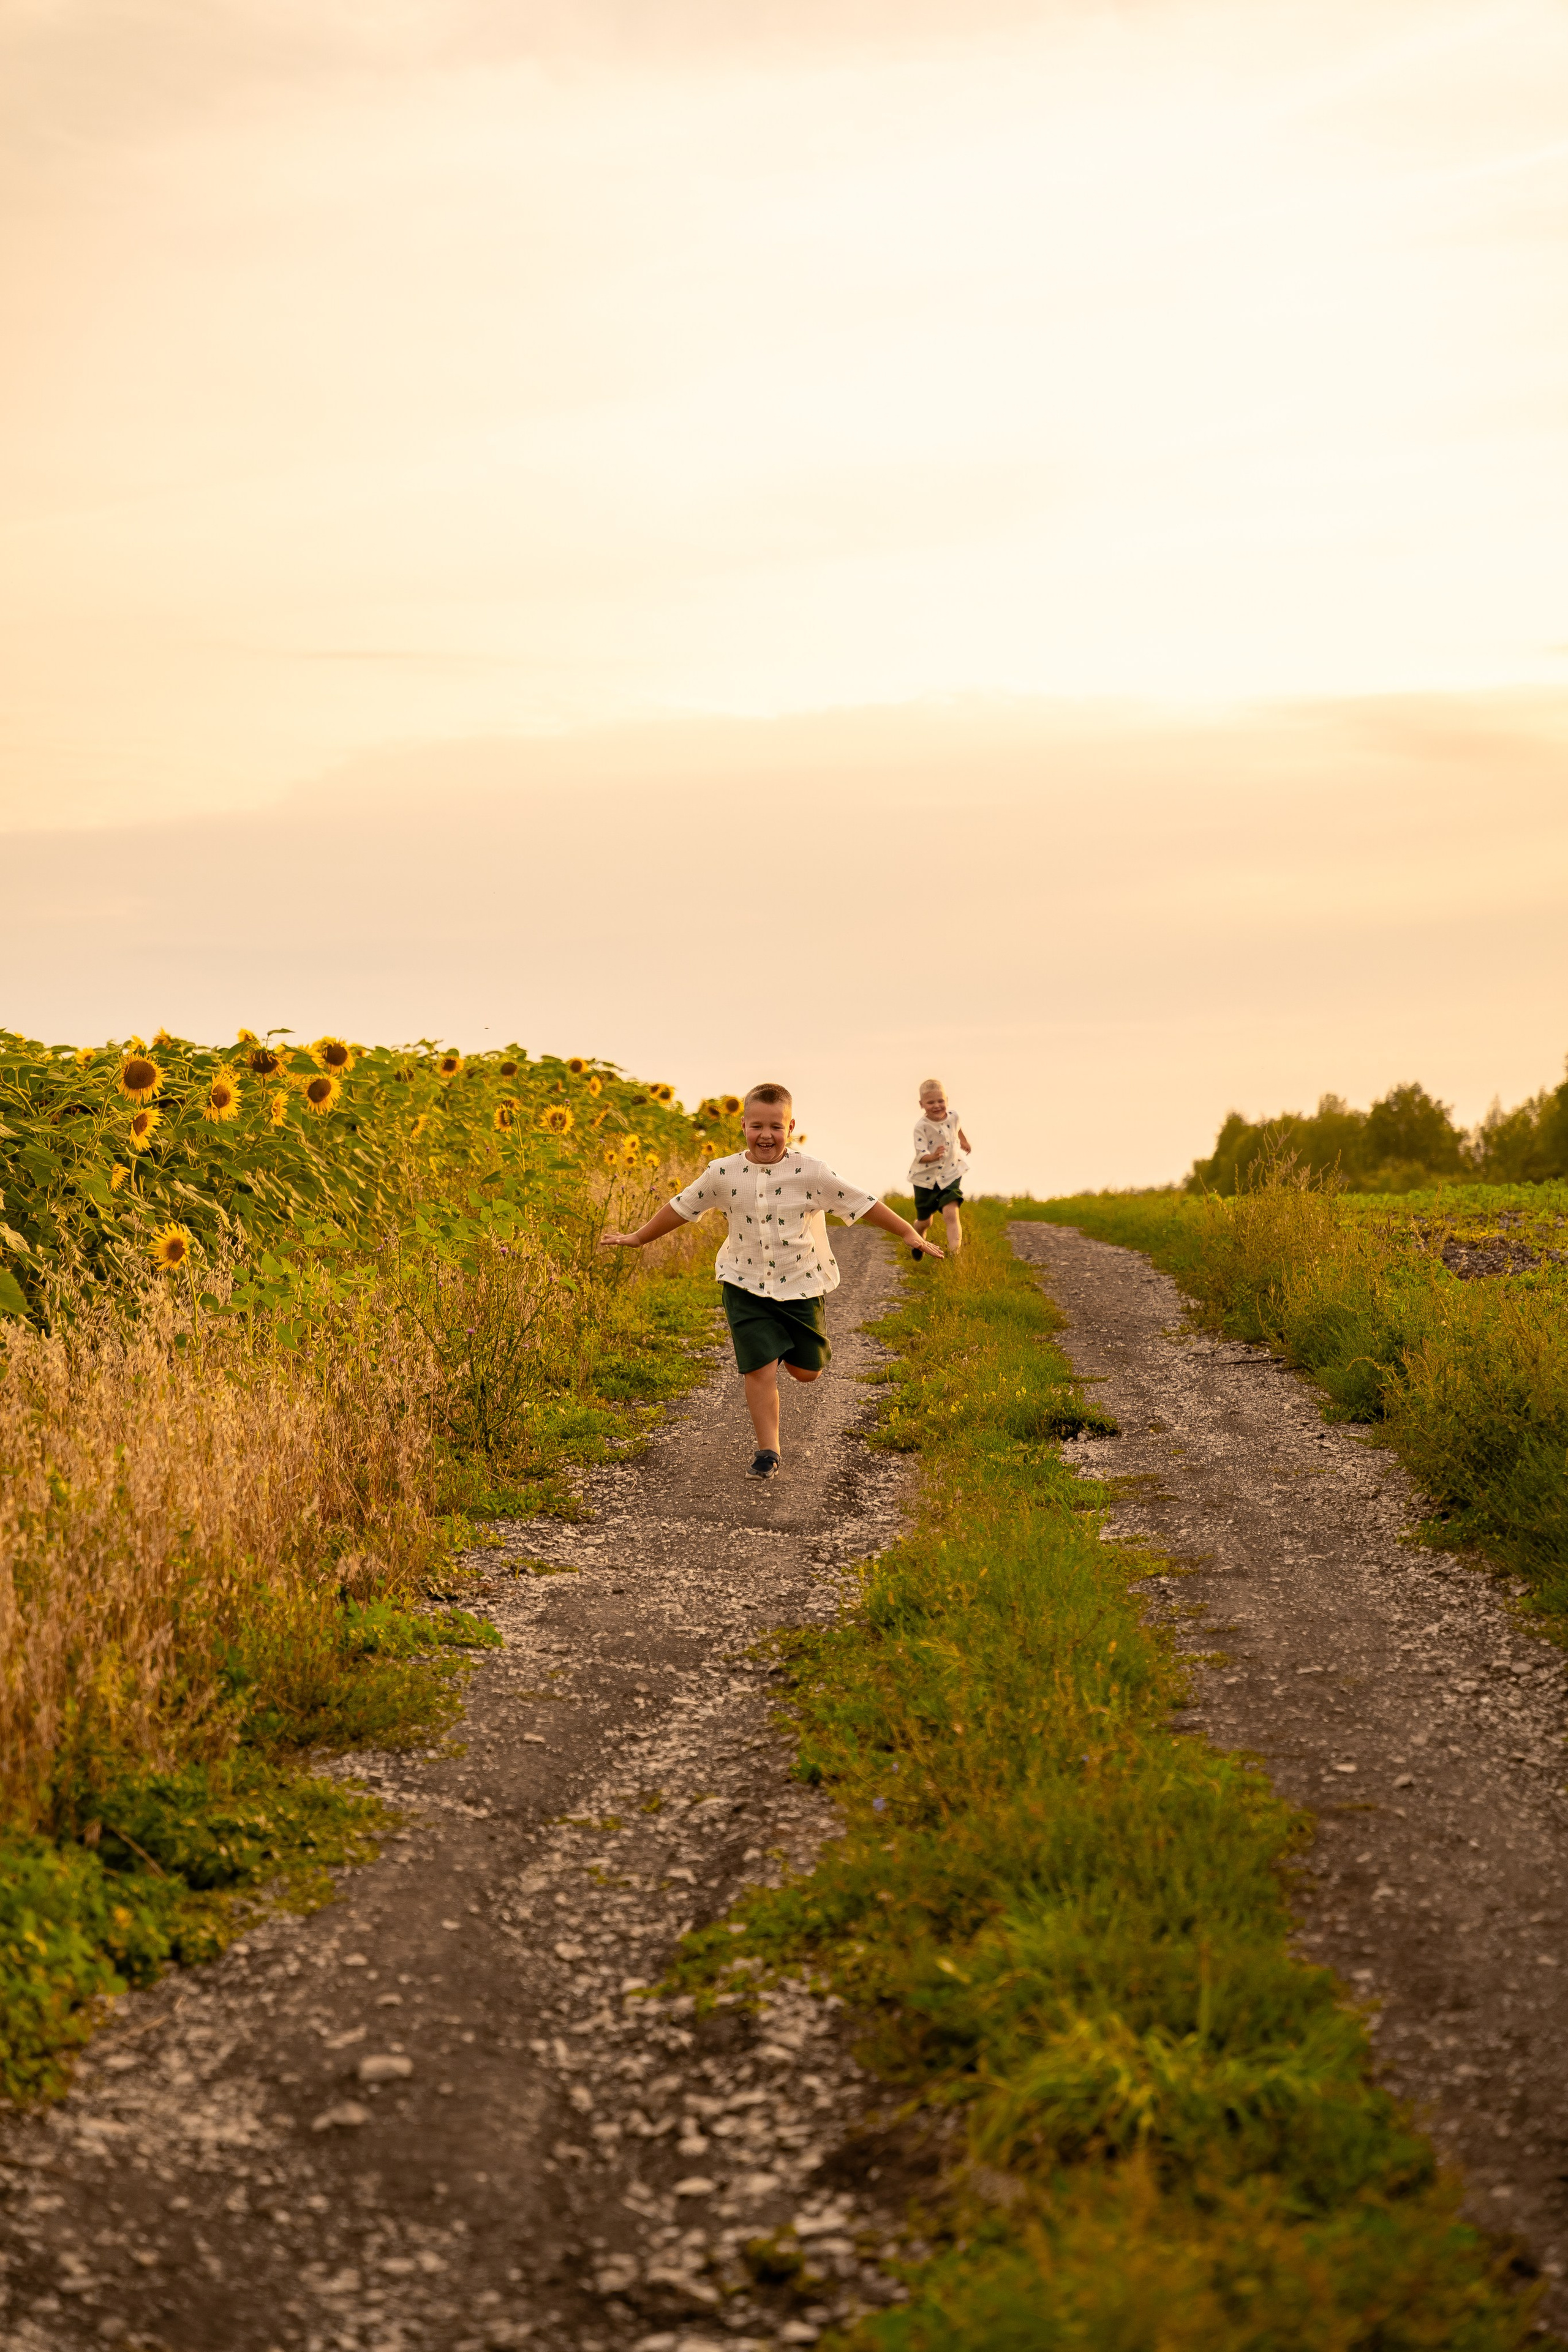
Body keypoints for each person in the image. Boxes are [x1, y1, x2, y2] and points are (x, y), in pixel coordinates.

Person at [599, 1082, 942, 1477]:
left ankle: (778, 1346)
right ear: (743, 1125)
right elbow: (683, 1207)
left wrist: (907, 1232)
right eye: (757, 1126)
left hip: (801, 1283)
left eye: (776, 1127)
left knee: (806, 1372)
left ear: (790, 1126)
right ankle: (768, 1452)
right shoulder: (722, 1173)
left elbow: (862, 1202)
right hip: (742, 1282)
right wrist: (639, 1237)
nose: (766, 1135)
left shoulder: (811, 1172)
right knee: (759, 1369)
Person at [909, 1077, 970, 1257]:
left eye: (940, 1101)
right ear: (922, 1104)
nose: (937, 1105)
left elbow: (957, 1127)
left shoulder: (954, 1116)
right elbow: (921, 1156)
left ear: (947, 1101)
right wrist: (933, 1156)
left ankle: (955, 1256)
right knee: (925, 1221)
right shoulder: (921, 1127)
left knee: (951, 1212)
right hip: (925, 1179)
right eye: (931, 1102)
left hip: (951, 1172)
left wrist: (964, 1141)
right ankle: (918, 1240)